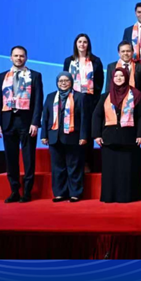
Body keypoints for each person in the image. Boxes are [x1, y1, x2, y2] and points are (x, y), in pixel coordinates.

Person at [0, 46, 44, 203]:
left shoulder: (35, 76)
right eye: (16, 56)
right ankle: (14, 190)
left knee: (28, 158)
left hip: (27, 122)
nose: (19, 58)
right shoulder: (3, 76)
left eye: (21, 56)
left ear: (26, 58)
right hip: (8, 121)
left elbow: (38, 101)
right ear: (11, 58)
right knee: (11, 158)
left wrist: (35, 122)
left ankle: (27, 192)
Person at [92, 67, 141, 203]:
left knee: (127, 170)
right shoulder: (105, 96)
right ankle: (109, 197)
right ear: (112, 78)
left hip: (129, 139)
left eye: (121, 76)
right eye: (116, 76)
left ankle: (127, 197)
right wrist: (97, 135)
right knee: (110, 170)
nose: (118, 78)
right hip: (109, 139)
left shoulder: (136, 95)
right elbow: (97, 116)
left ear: (127, 77)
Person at [41, 72, 89, 202]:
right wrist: (44, 135)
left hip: (73, 137)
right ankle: (60, 193)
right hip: (54, 137)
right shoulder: (51, 97)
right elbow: (45, 117)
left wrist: (83, 136)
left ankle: (75, 193)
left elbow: (84, 118)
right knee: (57, 168)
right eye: (60, 81)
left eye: (66, 80)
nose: (63, 83)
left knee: (74, 167)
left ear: (71, 82)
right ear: (57, 82)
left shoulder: (80, 97)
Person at [62, 33, 104, 173]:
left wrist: (94, 100)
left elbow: (99, 82)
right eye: (79, 42)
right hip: (72, 100)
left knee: (87, 131)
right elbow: (64, 80)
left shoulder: (95, 61)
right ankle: (75, 163)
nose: (82, 44)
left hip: (89, 101)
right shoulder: (68, 61)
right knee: (74, 130)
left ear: (88, 44)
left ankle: (87, 163)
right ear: (76, 44)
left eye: (85, 42)